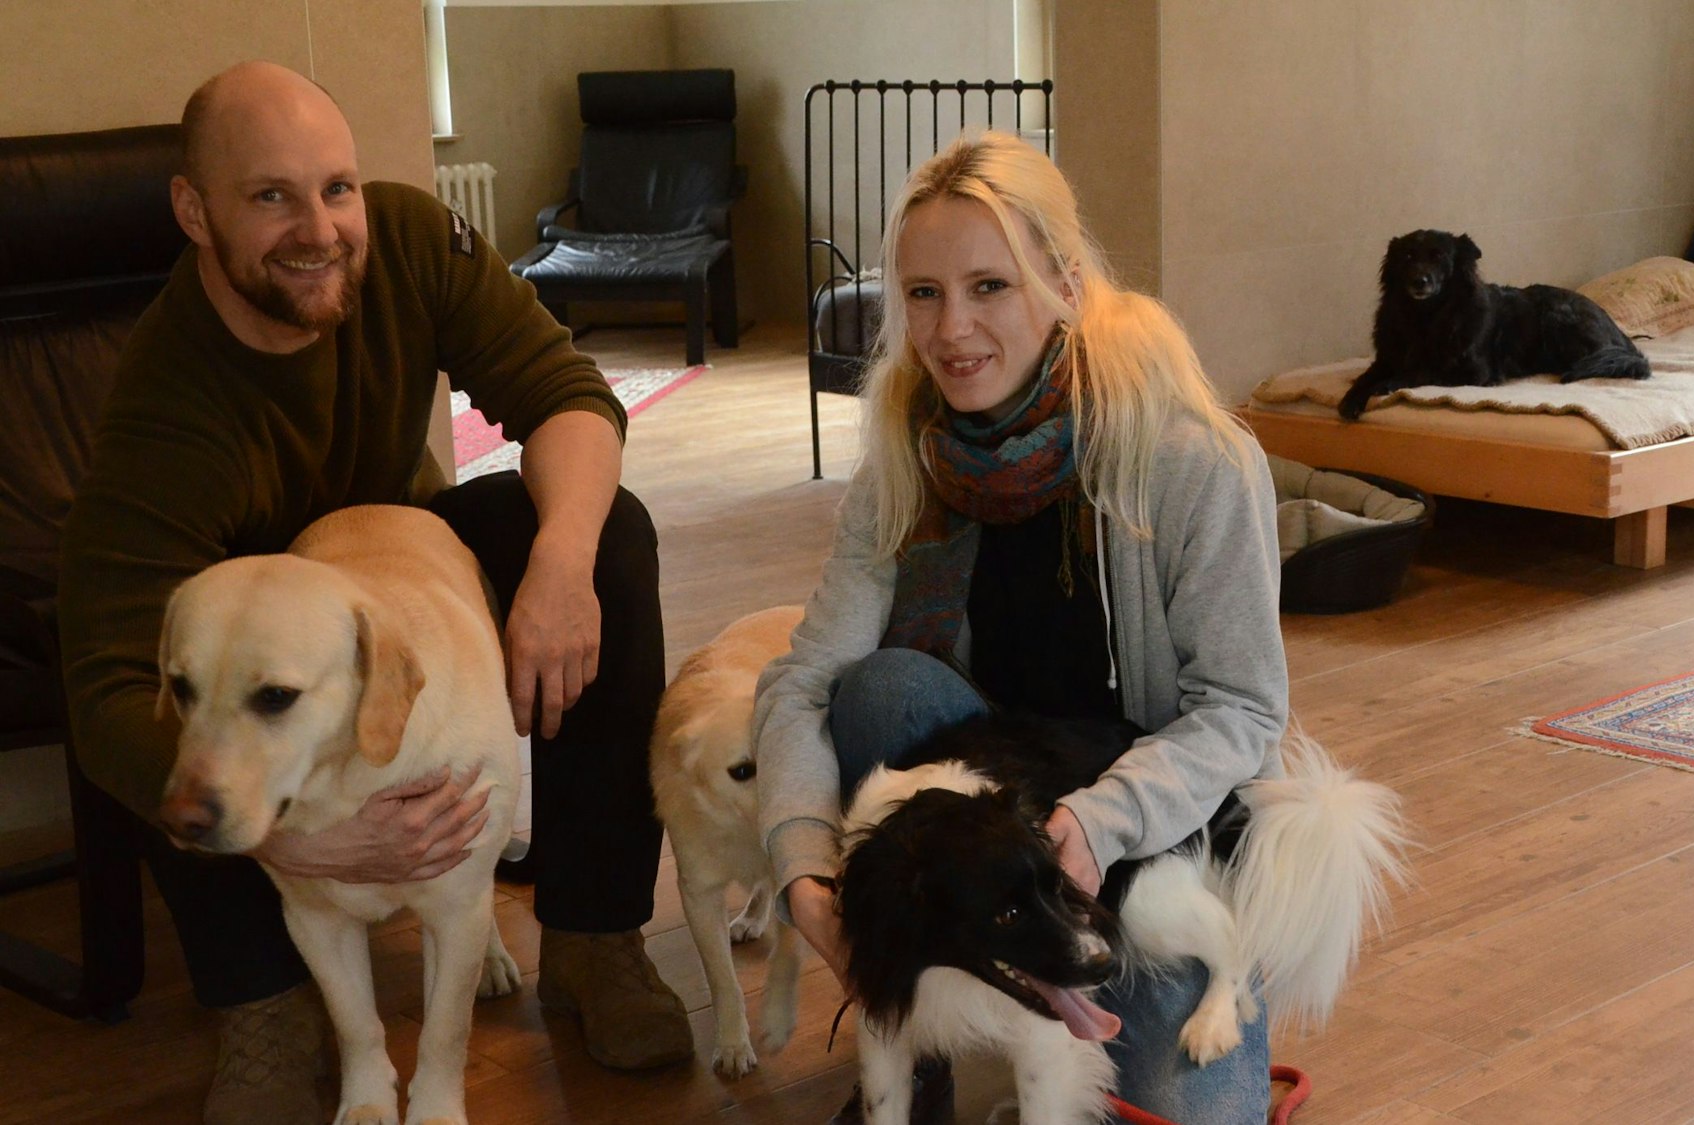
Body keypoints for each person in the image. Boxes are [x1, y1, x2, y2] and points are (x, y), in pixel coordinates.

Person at [57, 61, 686, 1124]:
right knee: (205, 716)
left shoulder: (404, 243)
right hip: (256, 630)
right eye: (270, 197)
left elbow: (567, 394)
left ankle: (593, 939)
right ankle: (263, 1004)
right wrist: (282, 835)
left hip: (403, 552)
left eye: (335, 187)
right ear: (193, 212)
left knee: (607, 534)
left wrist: (558, 568)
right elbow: (107, 686)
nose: (319, 228)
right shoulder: (164, 412)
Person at [754, 132, 1288, 1125]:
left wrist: (1099, 822)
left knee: (1199, 1114)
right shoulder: (902, 465)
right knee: (876, 692)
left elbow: (1244, 707)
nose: (951, 328)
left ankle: (1113, 984)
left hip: (1152, 825)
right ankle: (914, 1055)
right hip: (997, 799)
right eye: (921, 293)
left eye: (988, 286)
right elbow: (798, 685)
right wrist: (799, 867)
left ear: (1065, 285)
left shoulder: (1192, 462)